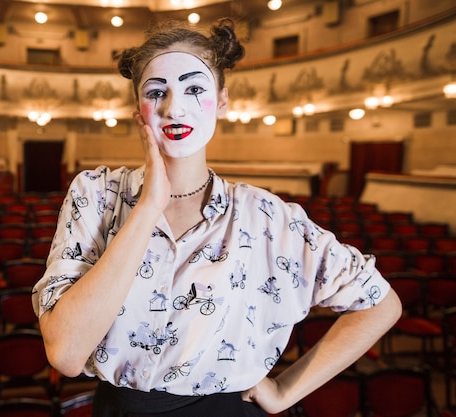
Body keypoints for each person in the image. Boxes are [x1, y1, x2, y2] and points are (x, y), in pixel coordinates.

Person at [32, 17, 402, 417]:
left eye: (194, 88)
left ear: (222, 100)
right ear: (136, 106)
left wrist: (284, 392)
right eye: (157, 92)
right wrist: (148, 207)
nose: (174, 108)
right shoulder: (95, 194)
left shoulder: (266, 217)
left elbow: (380, 304)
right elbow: (67, 354)